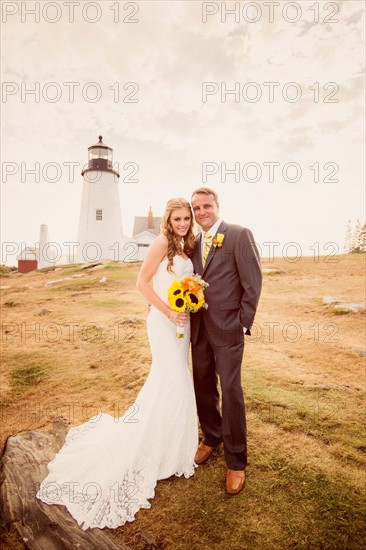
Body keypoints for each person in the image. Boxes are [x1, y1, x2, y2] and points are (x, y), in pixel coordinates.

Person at [36, 198, 198, 530]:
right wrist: (167, 312)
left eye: (187, 217)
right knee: (170, 379)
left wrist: (187, 302)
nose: (183, 222)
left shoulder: (185, 245)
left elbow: (177, 284)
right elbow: (141, 282)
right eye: (177, 218)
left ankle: (172, 445)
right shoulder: (161, 242)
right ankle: (153, 448)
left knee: (180, 377)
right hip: (166, 321)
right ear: (169, 220)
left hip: (182, 320)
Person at [190, 187, 262, 495]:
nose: (201, 212)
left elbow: (253, 282)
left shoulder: (238, 234)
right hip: (198, 328)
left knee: (231, 390)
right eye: (196, 208)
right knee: (202, 384)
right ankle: (211, 435)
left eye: (207, 205)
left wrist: (242, 324)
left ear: (218, 206)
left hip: (228, 329)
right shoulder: (193, 243)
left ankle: (236, 461)